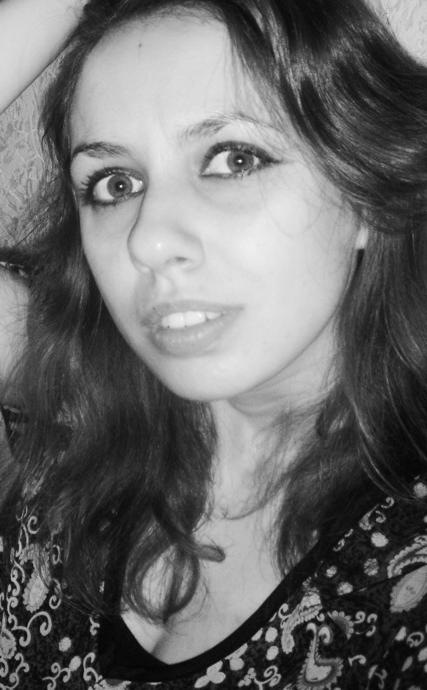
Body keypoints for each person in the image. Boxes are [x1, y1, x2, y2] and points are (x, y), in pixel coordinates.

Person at [1, 0, 427, 687]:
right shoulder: (79, 402)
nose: (149, 239)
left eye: (234, 158)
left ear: (366, 197)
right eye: (115, 184)